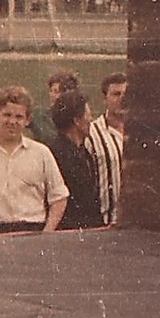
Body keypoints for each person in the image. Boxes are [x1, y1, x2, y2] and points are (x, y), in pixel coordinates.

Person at [0, 86, 68, 234]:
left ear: (27, 120)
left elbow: (59, 197)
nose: (12, 121)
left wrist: (46, 233)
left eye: (19, 117)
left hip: (33, 232)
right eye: (7, 115)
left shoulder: (42, 153)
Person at [47, 90, 106, 231]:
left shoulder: (83, 151)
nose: (91, 119)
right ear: (76, 121)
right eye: (87, 114)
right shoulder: (58, 153)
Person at [85, 73, 127, 227]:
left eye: (125, 94)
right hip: (104, 222)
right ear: (105, 99)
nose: (122, 99)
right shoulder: (91, 134)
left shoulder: (142, 133)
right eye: (116, 94)